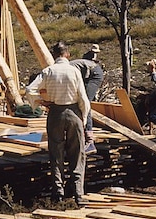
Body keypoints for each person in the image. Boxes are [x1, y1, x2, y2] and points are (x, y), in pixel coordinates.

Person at [26, 41, 90, 206]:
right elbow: (83, 97)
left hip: (55, 112)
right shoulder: (74, 71)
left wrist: (42, 102)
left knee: (56, 153)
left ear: (54, 55)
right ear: (67, 54)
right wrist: (83, 118)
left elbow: (29, 90)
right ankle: (78, 193)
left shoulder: (48, 71)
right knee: (77, 154)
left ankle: (58, 192)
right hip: (73, 111)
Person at [68, 44, 104, 154]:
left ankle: (90, 141)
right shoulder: (63, 68)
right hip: (88, 75)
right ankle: (81, 134)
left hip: (94, 75)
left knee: (85, 104)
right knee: (80, 102)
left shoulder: (66, 69)